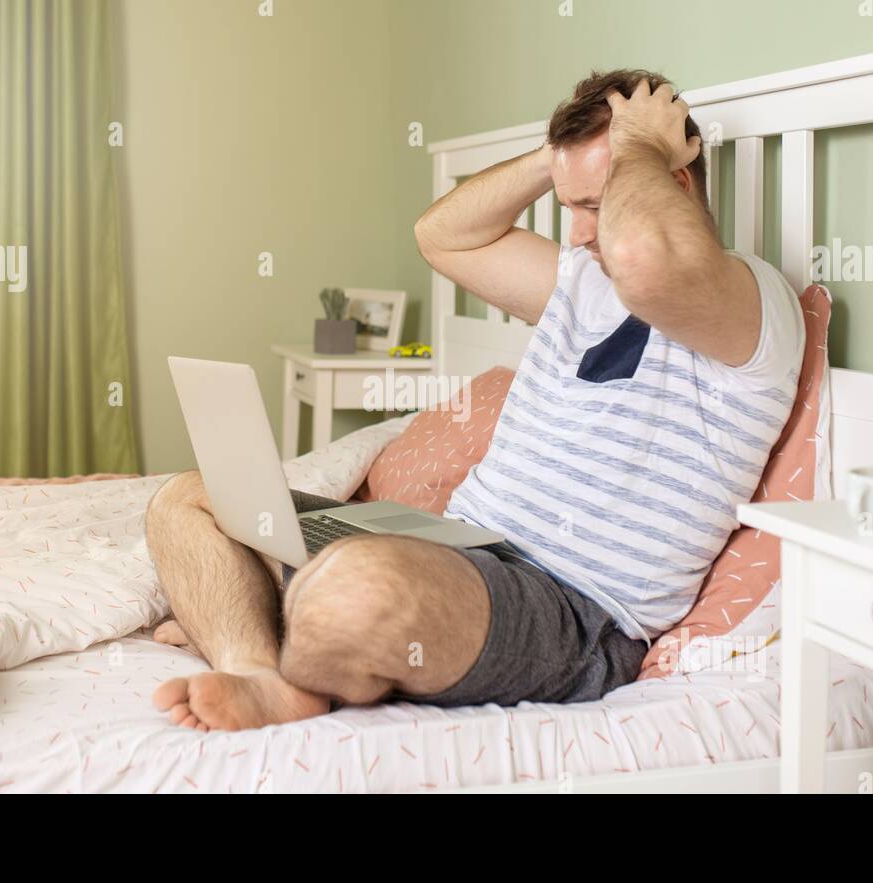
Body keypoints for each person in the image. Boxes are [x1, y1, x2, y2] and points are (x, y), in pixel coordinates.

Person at [146, 69, 804, 731]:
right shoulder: (579, 281)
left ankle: (286, 627)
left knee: (352, 588)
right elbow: (443, 235)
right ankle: (256, 665)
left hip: (570, 606)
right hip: (458, 546)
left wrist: (638, 148)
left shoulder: (753, 308)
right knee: (189, 498)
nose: (575, 234)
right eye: (568, 205)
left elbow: (645, 255)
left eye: (594, 206)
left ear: (675, 182)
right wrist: (560, 160)